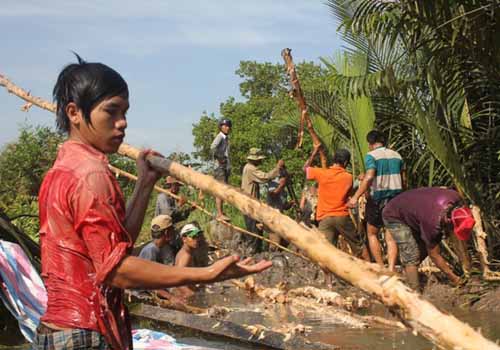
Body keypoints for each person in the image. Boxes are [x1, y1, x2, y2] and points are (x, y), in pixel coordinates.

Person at [35, 56, 272, 350]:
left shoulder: (61, 170)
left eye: (124, 112)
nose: (122, 123)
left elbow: (114, 247)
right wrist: (208, 274)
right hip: (85, 333)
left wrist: (145, 183)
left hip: (58, 332)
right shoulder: (91, 174)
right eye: (111, 111)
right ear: (74, 113)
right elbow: (116, 270)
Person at [382, 187, 475, 290]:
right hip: (394, 214)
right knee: (412, 255)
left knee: (421, 251)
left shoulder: (456, 198)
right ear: (448, 222)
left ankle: (407, 273)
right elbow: (434, 255)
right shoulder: (433, 223)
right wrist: (455, 279)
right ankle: (415, 292)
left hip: (413, 209)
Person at [304, 146, 369, 287]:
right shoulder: (348, 177)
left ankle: (329, 282)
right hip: (342, 216)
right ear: (345, 163)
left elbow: (305, 168)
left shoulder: (322, 173)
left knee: (325, 251)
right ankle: (369, 274)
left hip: (324, 219)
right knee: (358, 245)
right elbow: (350, 192)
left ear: (334, 160)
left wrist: (314, 152)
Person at [348, 130, 405, 271]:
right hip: (395, 200)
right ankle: (391, 268)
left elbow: (369, 177)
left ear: (370, 143)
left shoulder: (371, 156)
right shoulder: (397, 155)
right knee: (391, 235)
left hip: (378, 199)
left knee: (372, 232)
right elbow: (404, 180)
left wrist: (355, 197)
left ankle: (381, 267)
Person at [241, 148, 284, 253]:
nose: (261, 161)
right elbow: (265, 177)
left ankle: (256, 252)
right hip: (249, 204)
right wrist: (277, 168)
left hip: (249, 203)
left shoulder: (248, 168)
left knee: (256, 230)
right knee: (254, 232)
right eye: (259, 159)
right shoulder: (250, 169)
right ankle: (252, 254)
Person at [210, 118, 232, 221]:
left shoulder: (226, 138)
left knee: (223, 189)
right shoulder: (220, 137)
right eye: (225, 126)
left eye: (228, 126)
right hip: (219, 168)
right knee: (220, 190)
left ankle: (221, 211)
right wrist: (220, 158)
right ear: (221, 127)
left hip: (224, 167)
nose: (227, 128)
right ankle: (219, 213)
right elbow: (213, 147)